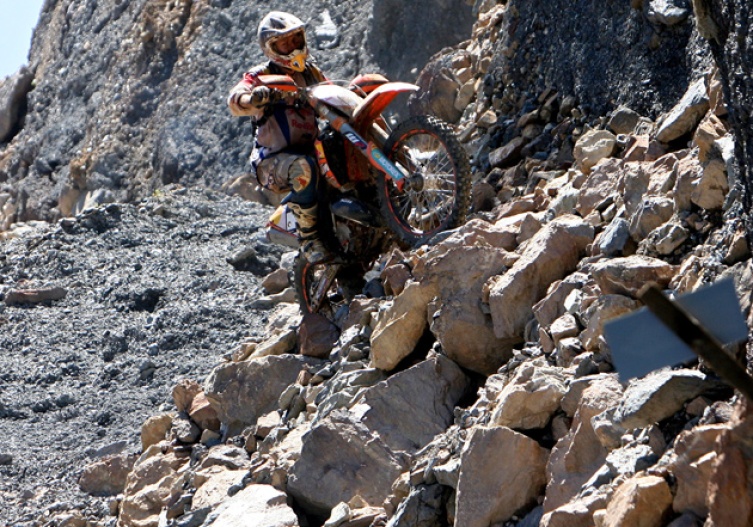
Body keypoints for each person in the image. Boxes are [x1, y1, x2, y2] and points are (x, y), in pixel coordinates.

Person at [228, 11, 330, 263]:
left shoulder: (310, 72)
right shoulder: (260, 75)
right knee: (303, 168)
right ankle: (308, 237)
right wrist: (253, 98)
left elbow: (332, 92)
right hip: (272, 163)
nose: (292, 47)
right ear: (271, 48)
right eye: (284, 43)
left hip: (310, 150)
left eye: (295, 39)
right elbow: (235, 99)